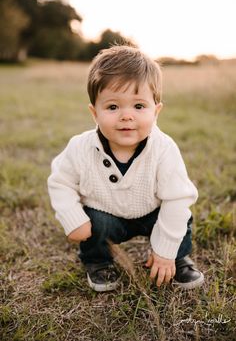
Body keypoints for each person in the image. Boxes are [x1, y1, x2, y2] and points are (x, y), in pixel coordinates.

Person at [47, 45, 204, 292]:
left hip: (152, 211)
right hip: (106, 214)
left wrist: (164, 250)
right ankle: (98, 262)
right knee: (95, 222)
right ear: (94, 113)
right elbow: (60, 181)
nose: (126, 116)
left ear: (156, 111)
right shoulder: (80, 147)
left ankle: (177, 257)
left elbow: (176, 199)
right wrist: (71, 217)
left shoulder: (163, 148)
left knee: (178, 216)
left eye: (139, 106)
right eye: (112, 107)